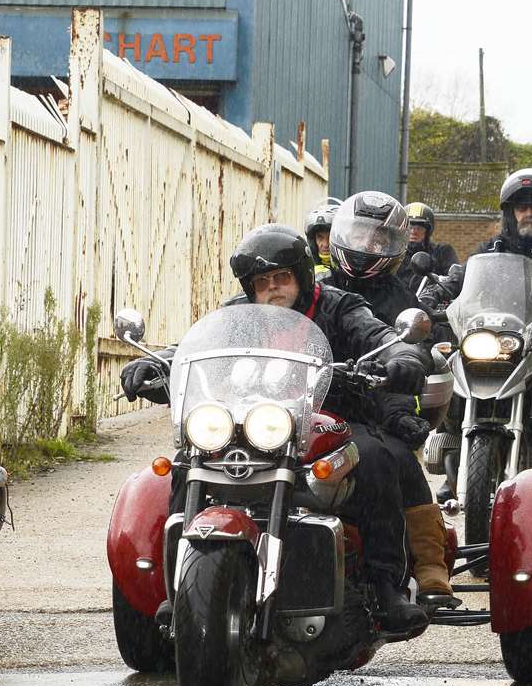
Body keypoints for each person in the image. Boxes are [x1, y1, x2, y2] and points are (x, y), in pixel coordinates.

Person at [121, 224, 429, 631]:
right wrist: (158, 362)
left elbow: (382, 336)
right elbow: (195, 347)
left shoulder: (341, 307)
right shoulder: (237, 315)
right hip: (253, 423)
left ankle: (385, 585)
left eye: (282, 277)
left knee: (374, 458)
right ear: (250, 288)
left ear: (301, 276)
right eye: (262, 282)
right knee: (187, 462)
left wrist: (401, 357)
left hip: (333, 421)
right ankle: (180, 587)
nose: (273, 288)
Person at [324, 191, 454, 609]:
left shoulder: (401, 301)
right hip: (302, 409)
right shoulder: (314, 291)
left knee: (396, 458)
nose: (365, 248)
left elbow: (415, 356)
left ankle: (428, 566)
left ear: (395, 247)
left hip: (374, 409)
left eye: (377, 240)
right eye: (358, 236)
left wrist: (399, 403)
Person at [419, 169, 532, 448]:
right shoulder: (492, 249)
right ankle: (454, 452)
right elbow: (459, 277)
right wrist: (432, 296)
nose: (528, 213)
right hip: (493, 342)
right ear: (511, 212)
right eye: (521, 206)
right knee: (450, 374)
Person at [397, 201, 459, 289]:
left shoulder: (442, 252)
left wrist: (438, 290)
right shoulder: (395, 255)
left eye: (419, 228)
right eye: (409, 227)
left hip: (432, 300)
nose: (413, 232)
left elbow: (455, 279)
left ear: (427, 231)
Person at [303, 197, 341, 276]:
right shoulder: (305, 270)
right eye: (320, 237)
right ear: (313, 240)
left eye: (330, 238)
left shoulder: (350, 272)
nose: (325, 244)